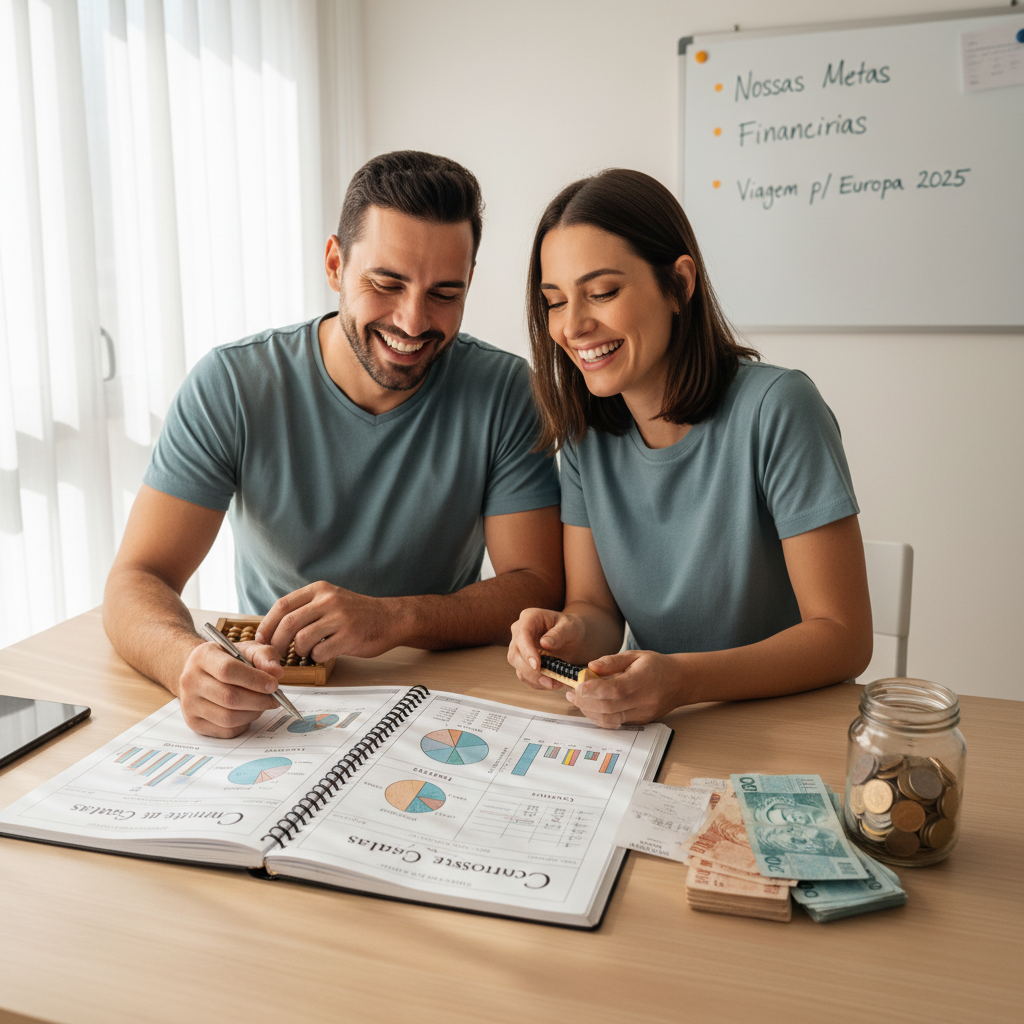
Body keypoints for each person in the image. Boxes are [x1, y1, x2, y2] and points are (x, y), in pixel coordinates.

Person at [105, 151, 563, 738]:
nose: (414, 321)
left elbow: (536, 582)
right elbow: (137, 576)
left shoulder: (505, 392)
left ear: (470, 282)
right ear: (334, 263)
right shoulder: (233, 385)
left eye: (445, 293)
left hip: (440, 698)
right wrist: (184, 663)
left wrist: (395, 617)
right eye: (386, 283)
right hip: (275, 702)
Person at [507, 168, 871, 728]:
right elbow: (598, 610)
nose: (574, 325)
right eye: (555, 301)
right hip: (669, 729)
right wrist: (569, 632)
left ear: (679, 284)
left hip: (788, 725)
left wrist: (684, 680)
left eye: (602, 292)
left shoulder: (779, 407)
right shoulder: (584, 437)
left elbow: (843, 638)